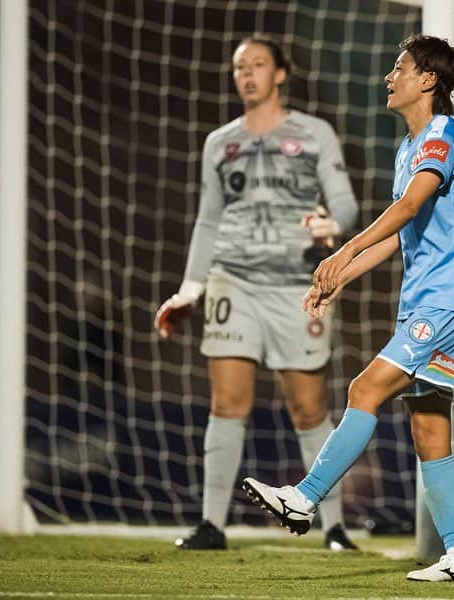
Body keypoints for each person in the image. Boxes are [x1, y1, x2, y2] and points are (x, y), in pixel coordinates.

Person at [243, 34, 454, 582]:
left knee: (364, 390)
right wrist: (338, 276)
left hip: (444, 301)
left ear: (427, 80)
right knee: (428, 427)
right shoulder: (409, 147)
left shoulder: (443, 134)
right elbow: (402, 235)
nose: (387, 77)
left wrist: (345, 246)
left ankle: (305, 499)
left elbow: (409, 207)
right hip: (438, 301)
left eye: (398, 68)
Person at [155, 36, 359, 551]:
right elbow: (207, 219)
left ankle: (334, 527)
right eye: (239, 67)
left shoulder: (315, 134)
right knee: (227, 401)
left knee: (309, 408)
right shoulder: (218, 142)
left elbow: (346, 204)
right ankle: (211, 525)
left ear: (281, 74)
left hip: (296, 285)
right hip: (234, 282)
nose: (247, 74)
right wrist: (190, 290)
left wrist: (332, 224)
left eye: (258, 65)